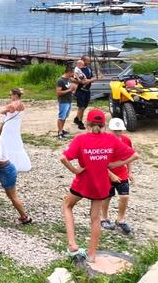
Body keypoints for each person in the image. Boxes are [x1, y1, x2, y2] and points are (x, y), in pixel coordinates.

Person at [61, 109, 138, 262]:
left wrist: (75, 170)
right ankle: (91, 254)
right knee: (95, 218)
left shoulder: (80, 139)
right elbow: (134, 155)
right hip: (101, 184)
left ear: (88, 124)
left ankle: (72, 244)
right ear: (104, 125)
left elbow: (63, 157)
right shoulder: (111, 139)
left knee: (67, 206)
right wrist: (116, 163)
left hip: (83, 182)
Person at [101, 118, 134, 234]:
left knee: (124, 196)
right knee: (107, 197)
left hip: (121, 173)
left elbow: (129, 156)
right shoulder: (104, 141)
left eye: (119, 130)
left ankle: (120, 219)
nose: (117, 133)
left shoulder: (126, 140)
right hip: (106, 174)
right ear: (110, 130)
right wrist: (111, 175)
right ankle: (104, 218)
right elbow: (100, 161)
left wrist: (130, 171)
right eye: (115, 130)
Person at [0, 89, 31, 172]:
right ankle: (18, 163)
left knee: (5, 143)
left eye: (10, 95)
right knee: (16, 142)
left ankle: (6, 162)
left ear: (15, 95)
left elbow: (1, 111)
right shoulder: (21, 104)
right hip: (16, 126)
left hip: (9, 126)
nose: (10, 96)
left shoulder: (11, 105)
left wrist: (6, 110)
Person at [74, 57, 96, 130]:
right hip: (80, 90)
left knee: (84, 106)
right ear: (83, 60)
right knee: (81, 107)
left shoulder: (88, 69)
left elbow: (93, 78)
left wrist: (88, 81)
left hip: (87, 90)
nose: (89, 62)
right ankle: (80, 123)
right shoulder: (77, 69)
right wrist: (81, 82)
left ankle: (77, 118)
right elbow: (72, 78)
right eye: (88, 60)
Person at [56, 66, 78, 139]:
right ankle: (59, 133)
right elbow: (58, 92)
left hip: (68, 100)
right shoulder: (60, 80)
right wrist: (70, 90)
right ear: (69, 72)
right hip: (63, 101)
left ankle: (61, 130)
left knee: (64, 117)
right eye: (72, 73)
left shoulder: (68, 79)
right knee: (61, 117)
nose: (73, 74)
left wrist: (73, 90)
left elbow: (71, 88)